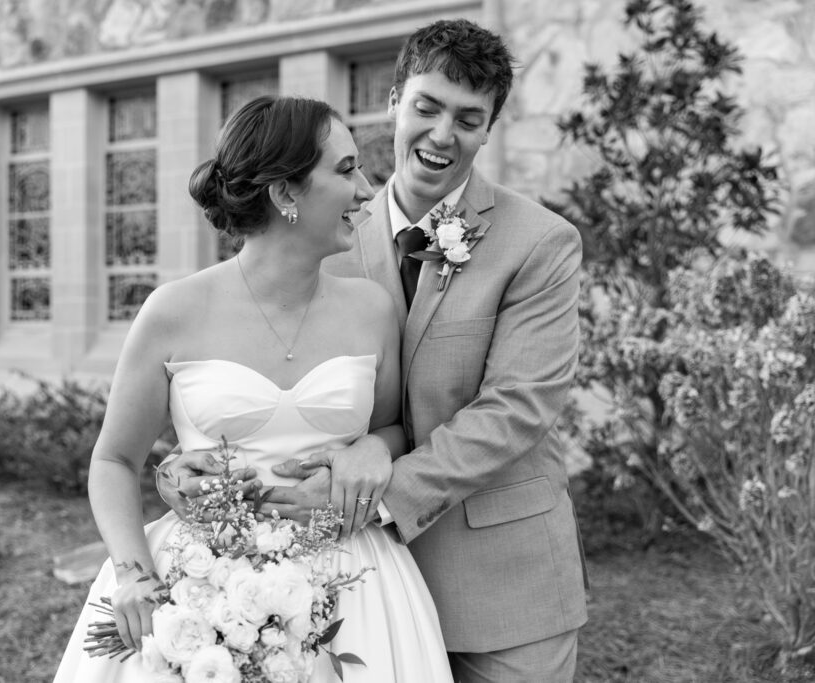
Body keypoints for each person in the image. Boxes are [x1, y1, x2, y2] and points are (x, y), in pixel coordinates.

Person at [159, 19, 588, 683]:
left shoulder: (540, 244)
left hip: (503, 581)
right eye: (427, 107)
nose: (443, 134)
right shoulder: (321, 233)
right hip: (346, 592)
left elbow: (518, 406)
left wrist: (377, 465)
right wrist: (182, 471)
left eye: (469, 119)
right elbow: (251, 364)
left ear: (488, 129)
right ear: (393, 101)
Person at [52, 95, 453, 682]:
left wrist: (373, 450)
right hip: (200, 585)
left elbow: (393, 429)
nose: (368, 190)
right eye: (345, 170)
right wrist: (134, 573)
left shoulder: (372, 309)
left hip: (355, 583)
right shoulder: (173, 311)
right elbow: (113, 459)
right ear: (285, 193)